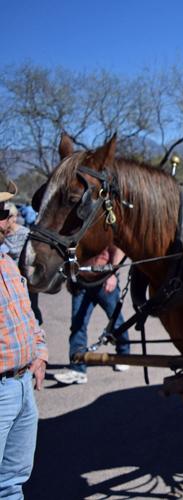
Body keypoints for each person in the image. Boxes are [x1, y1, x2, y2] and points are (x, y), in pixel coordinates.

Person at [0, 179, 47, 499]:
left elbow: (28, 316)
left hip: (21, 384)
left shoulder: (6, 260)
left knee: (12, 479)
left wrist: (39, 352)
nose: (13, 217)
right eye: (5, 212)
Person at [54, 245, 131, 385]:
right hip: (81, 282)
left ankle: (124, 354)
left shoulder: (100, 227)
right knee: (78, 325)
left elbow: (118, 248)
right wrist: (70, 277)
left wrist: (113, 274)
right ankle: (78, 369)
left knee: (116, 321)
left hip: (104, 280)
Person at [0, 204, 43, 325]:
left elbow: (34, 256)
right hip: (12, 277)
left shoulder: (25, 234)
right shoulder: (4, 237)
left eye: (5, 216)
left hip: (24, 278)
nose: (5, 221)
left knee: (30, 309)